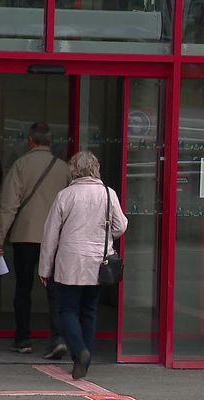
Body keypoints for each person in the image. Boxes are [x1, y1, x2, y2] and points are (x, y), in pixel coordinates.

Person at [38, 151, 127, 379]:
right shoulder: (109, 194)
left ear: (73, 170)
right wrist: (105, 237)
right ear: (96, 168)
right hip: (98, 261)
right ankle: (84, 361)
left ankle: (80, 351)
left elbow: (50, 235)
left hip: (70, 261)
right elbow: (121, 226)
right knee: (89, 310)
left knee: (67, 309)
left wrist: (44, 268)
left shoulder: (65, 196)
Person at [0, 122, 70, 358]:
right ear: (51, 142)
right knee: (55, 290)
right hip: (55, 238)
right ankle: (58, 337)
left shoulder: (20, 165)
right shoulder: (64, 168)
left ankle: (23, 338)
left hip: (25, 236)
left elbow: (8, 206)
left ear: (30, 140)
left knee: (23, 288)